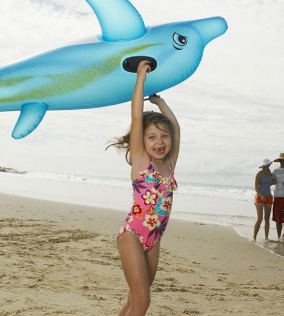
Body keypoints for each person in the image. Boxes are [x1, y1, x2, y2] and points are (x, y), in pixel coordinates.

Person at [107, 60, 180, 316]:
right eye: (152, 137)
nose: (159, 142)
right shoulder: (141, 162)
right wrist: (141, 77)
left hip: (155, 239)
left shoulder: (169, 165)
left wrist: (160, 103)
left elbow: (177, 127)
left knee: (134, 300)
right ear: (143, 142)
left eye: (164, 136)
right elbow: (137, 116)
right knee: (142, 302)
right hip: (133, 235)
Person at [252, 158, 275, 242]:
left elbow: (272, 182)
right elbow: (256, 187)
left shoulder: (270, 173)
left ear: (269, 166)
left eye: (267, 166)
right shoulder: (259, 174)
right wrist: (261, 196)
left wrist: (273, 182)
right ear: (262, 167)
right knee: (260, 218)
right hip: (260, 197)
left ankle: (266, 238)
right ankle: (254, 237)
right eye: (264, 166)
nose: (266, 168)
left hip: (269, 196)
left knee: (267, 218)